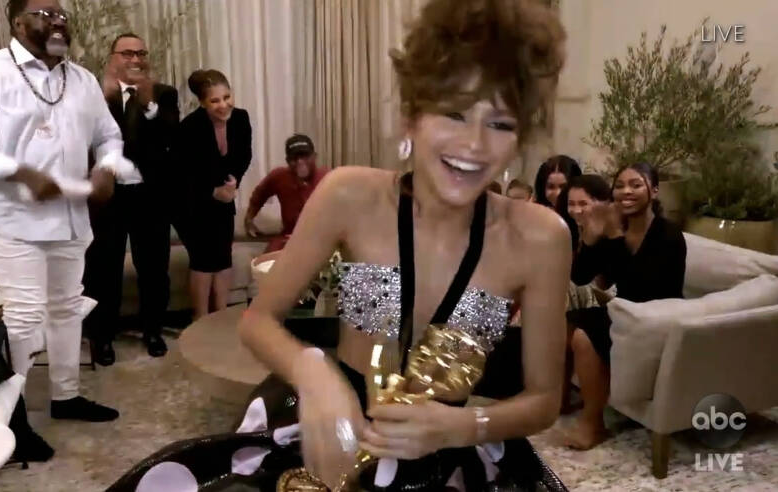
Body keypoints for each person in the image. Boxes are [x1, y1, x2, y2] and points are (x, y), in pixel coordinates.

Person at [239, 0, 571, 489]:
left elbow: (544, 400)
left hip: (445, 458)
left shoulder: (542, 238)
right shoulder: (348, 194)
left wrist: (462, 427)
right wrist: (313, 373)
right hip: (330, 438)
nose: (475, 144)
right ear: (412, 116)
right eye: (454, 113)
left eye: (500, 124)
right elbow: (257, 321)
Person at [0, 0, 126, 458]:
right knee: (24, 317)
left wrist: (105, 169)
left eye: (62, 13)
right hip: (12, 219)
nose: (59, 20)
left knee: (67, 308)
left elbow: (109, 135)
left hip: (71, 216)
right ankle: (11, 418)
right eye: (45, 13)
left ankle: (66, 396)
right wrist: (22, 173)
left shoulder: (81, 79)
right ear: (17, 22)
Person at [561, 162, 686, 449]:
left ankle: (593, 423)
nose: (626, 191)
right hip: (626, 312)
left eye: (636, 185)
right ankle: (561, 398)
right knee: (563, 321)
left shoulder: (668, 234)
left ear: (654, 191)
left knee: (584, 336)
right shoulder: (617, 229)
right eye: (619, 186)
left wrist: (615, 236)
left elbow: (642, 285)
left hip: (656, 318)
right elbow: (580, 276)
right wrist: (590, 238)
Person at [83, 33, 180, 365]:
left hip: (149, 197)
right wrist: (104, 100)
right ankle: (102, 336)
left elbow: (171, 138)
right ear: (113, 58)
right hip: (109, 198)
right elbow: (81, 139)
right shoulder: (94, 95)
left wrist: (149, 105)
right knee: (103, 269)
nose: (135, 59)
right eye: (127, 53)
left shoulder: (164, 95)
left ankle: (153, 331)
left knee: (154, 269)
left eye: (140, 53)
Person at [174, 69, 252, 320]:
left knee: (223, 257)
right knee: (204, 260)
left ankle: (220, 317)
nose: (223, 105)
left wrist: (233, 183)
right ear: (202, 103)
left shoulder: (241, 118)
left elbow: (244, 156)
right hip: (190, 201)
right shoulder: (190, 127)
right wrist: (213, 191)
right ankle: (200, 320)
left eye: (227, 97)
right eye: (215, 100)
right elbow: (183, 174)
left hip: (223, 197)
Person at [244, 134, 328, 253]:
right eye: (294, 158)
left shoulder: (328, 178)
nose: (300, 162)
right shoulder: (279, 177)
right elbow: (258, 195)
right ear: (287, 161)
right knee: (266, 261)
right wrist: (249, 220)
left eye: (305, 156)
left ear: (314, 156)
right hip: (289, 238)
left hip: (321, 240)